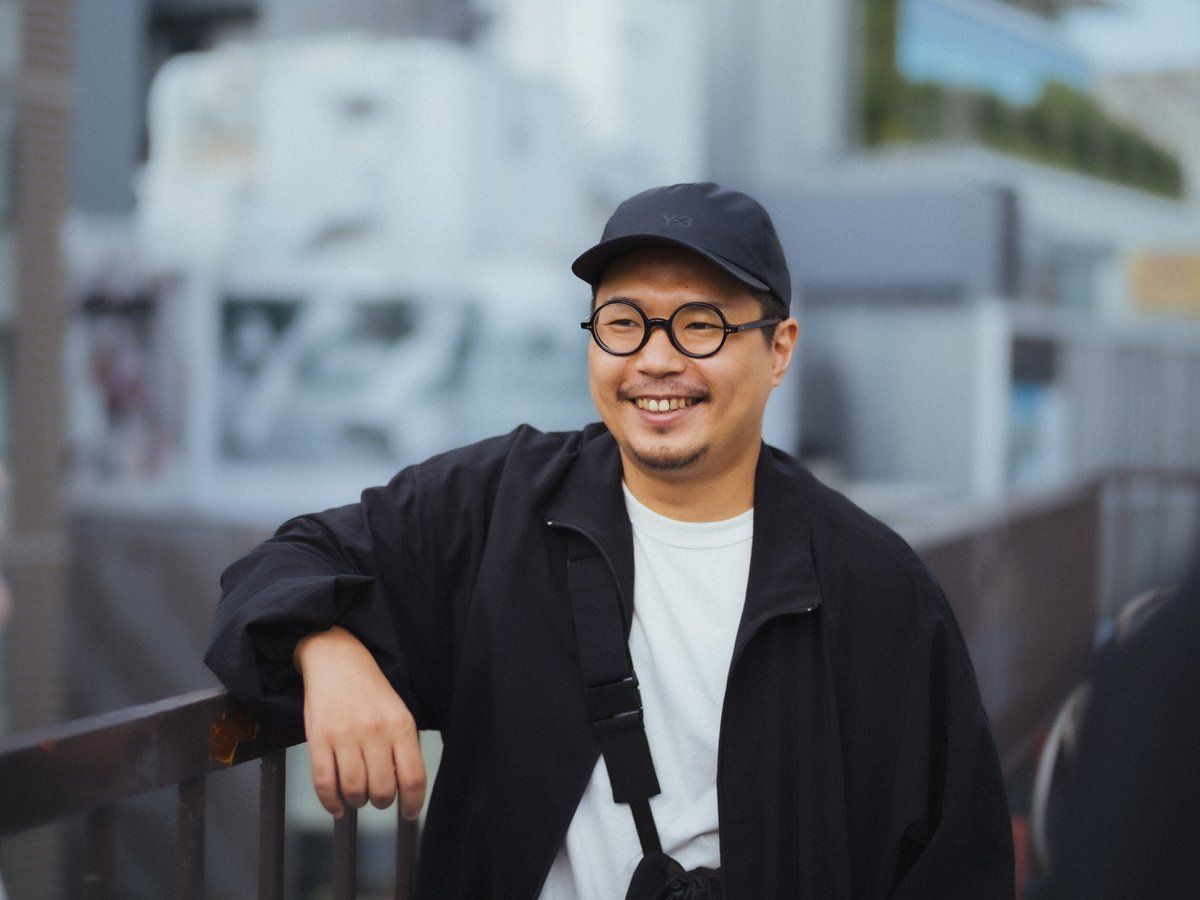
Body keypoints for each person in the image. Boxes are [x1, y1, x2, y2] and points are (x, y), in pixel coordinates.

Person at [207, 182, 1014, 898]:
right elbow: (284, 562)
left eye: (700, 325)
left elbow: (954, 860)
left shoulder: (874, 588)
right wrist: (326, 649)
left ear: (778, 350)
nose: (655, 360)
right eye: (623, 323)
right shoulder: (501, 505)